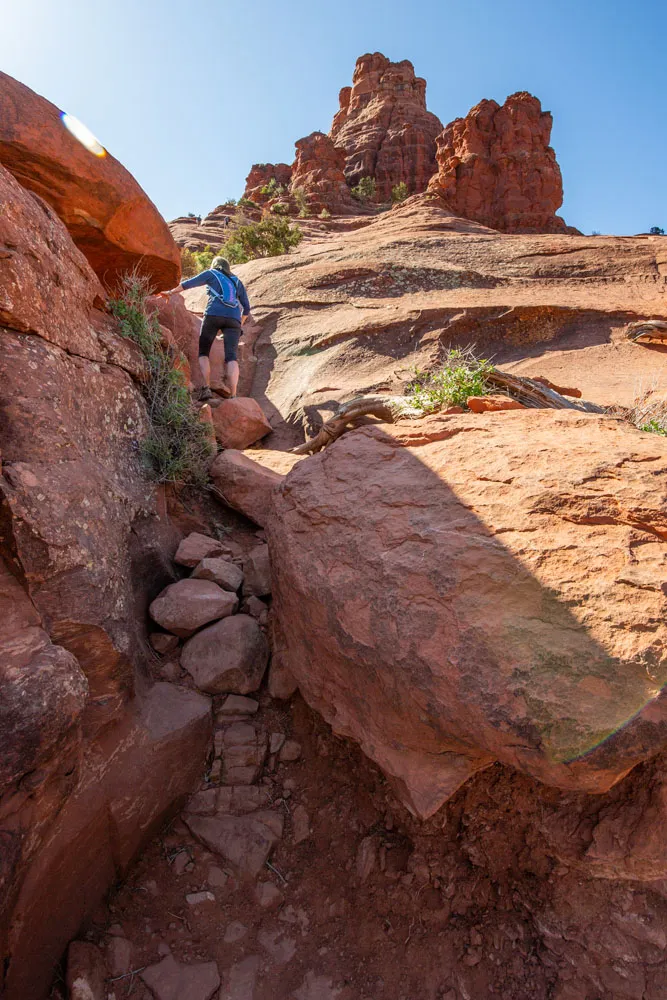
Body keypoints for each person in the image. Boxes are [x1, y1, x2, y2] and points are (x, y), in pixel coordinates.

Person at [162, 256, 251, 401]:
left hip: (213, 315)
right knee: (231, 357)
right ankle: (233, 395)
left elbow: (188, 284)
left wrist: (170, 292)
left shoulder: (211, 274)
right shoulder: (237, 282)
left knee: (204, 352)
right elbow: (246, 308)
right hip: (234, 319)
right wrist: (238, 324)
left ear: (214, 265)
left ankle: (206, 388)